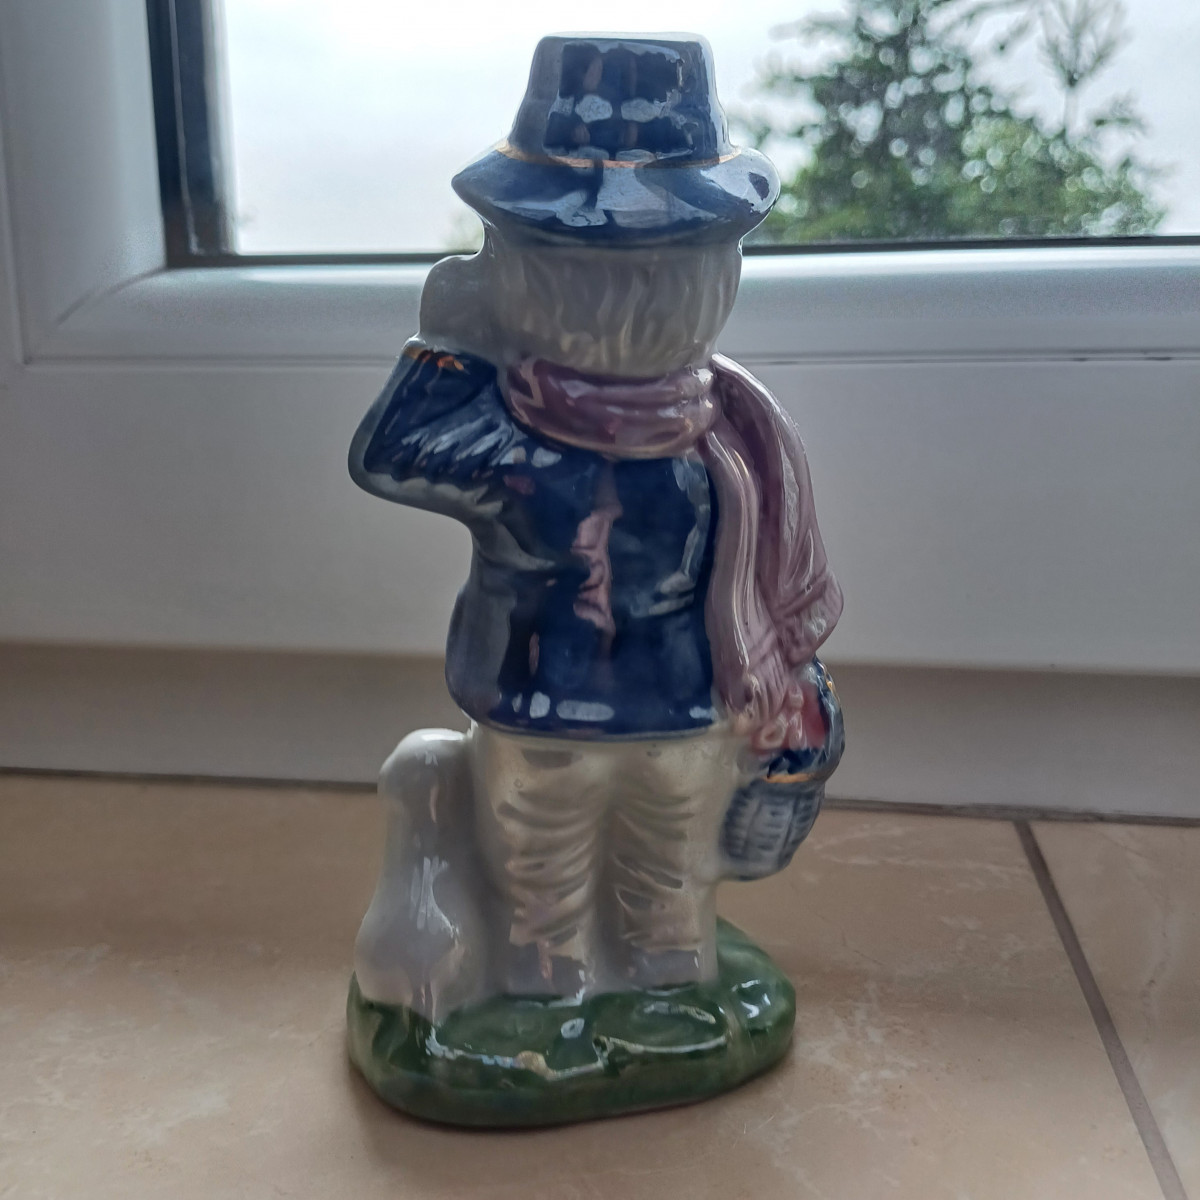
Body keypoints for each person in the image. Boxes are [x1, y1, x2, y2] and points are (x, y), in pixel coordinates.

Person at [348, 34, 843, 1018]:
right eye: (591, 265)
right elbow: (389, 458)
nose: (639, 292)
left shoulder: (727, 436)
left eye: (678, 263)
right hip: (537, 710)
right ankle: (549, 998)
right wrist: (443, 344)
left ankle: (664, 987)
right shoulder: (507, 435)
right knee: (545, 883)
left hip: (684, 713)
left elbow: (400, 451)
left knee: (667, 878)